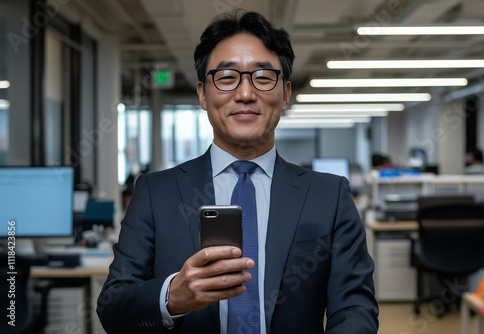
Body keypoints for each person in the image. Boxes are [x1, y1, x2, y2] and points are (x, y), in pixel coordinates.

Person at [97, 10, 378, 334]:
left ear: (285, 94)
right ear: (203, 93)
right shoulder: (154, 193)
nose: (245, 94)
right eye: (228, 77)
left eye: (262, 77)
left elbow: (355, 309)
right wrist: (173, 296)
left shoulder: (330, 196)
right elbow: (112, 308)